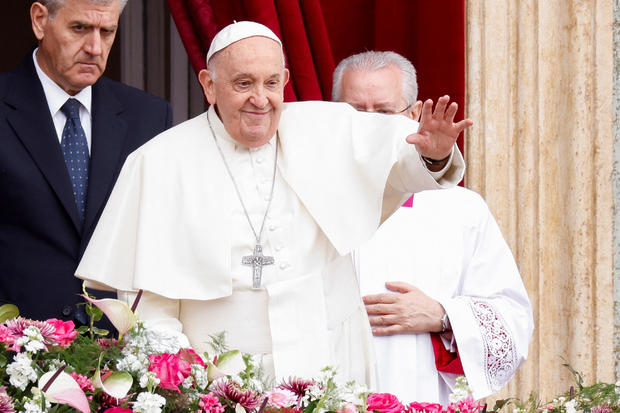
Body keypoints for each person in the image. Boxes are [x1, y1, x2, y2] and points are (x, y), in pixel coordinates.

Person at [75, 21, 472, 386]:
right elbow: (150, 304)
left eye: (270, 83)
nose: (260, 99)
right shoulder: (159, 162)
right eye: (243, 83)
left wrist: (434, 155)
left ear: (284, 80)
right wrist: (182, 383)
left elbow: (396, 166)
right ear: (209, 85)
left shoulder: (326, 129)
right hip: (218, 377)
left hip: (327, 362)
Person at [333, 50, 533, 402]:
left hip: (422, 396)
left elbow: (513, 321)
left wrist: (442, 315)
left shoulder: (461, 209)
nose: (368, 123)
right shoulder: (307, 198)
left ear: (412, 115)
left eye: (383, 111)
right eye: (355, 111)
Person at [0, 0, 172, 324]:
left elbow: (163, 243)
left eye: (107, 32)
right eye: (79, 28)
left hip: (120, 356)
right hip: (13, 354)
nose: (94, 47)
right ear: (40, 21)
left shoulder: (149, 118)